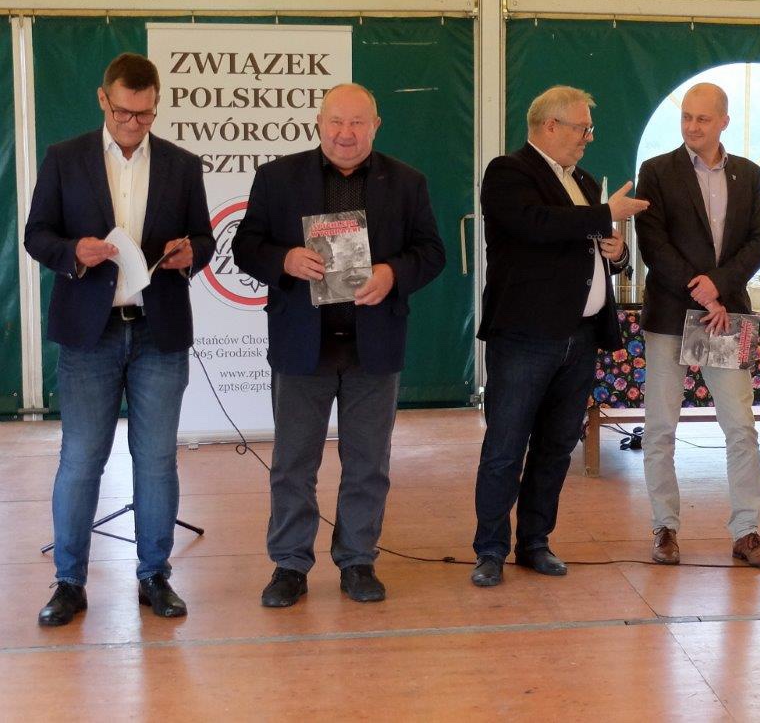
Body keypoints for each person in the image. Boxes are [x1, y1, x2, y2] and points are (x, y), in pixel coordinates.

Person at [232, 83, 445, 607]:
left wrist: (393, 273)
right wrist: (284, 260)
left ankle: (357, 560)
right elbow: (245, 246)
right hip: (302, 346)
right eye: (336, 122)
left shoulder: (407, 182)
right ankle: (289, 565)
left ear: (376, 125)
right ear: (319, 123)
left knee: (369, 463)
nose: (345, 133)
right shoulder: (277, 178)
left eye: (357, 123)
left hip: (374, 346)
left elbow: (431, 252)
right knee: (293, 463)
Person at [25, 52, 214, 626]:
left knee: (156, 460)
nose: (134, 124)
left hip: (159, 330)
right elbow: (36, 234)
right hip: (90, 334)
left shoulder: (182, 165)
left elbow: (205, 239)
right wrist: (73, 253)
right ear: (103, 100)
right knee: (81, 459)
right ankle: (69, 581)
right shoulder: (64, 159)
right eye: (124, 112)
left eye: (146, 114)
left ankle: (155, 575)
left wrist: (190, 254)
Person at [470, 85, 647, 587]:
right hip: (525, 338)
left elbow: (590, 250)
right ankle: (490, 549)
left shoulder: (584, 182)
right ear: (550, 126)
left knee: (555, 448)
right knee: (506, 447)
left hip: (581, 336)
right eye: (582, 128)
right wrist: (605, 214)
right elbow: (537, 225)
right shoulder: (509, 172)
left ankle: (535, 542)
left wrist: (616, 254)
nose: (588, 138)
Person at [635, 82, 760, 568]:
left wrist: (719, 285)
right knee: (659, 428)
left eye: (702, 118)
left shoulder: (749, 174)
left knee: (741, 427)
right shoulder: (656, 172)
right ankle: (664, 527)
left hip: (726, 316)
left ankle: (747, 532)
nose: (692, 126)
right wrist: (701, 290)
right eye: (686, 117)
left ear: (724, 122)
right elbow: (653, 244)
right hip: (671, 315)